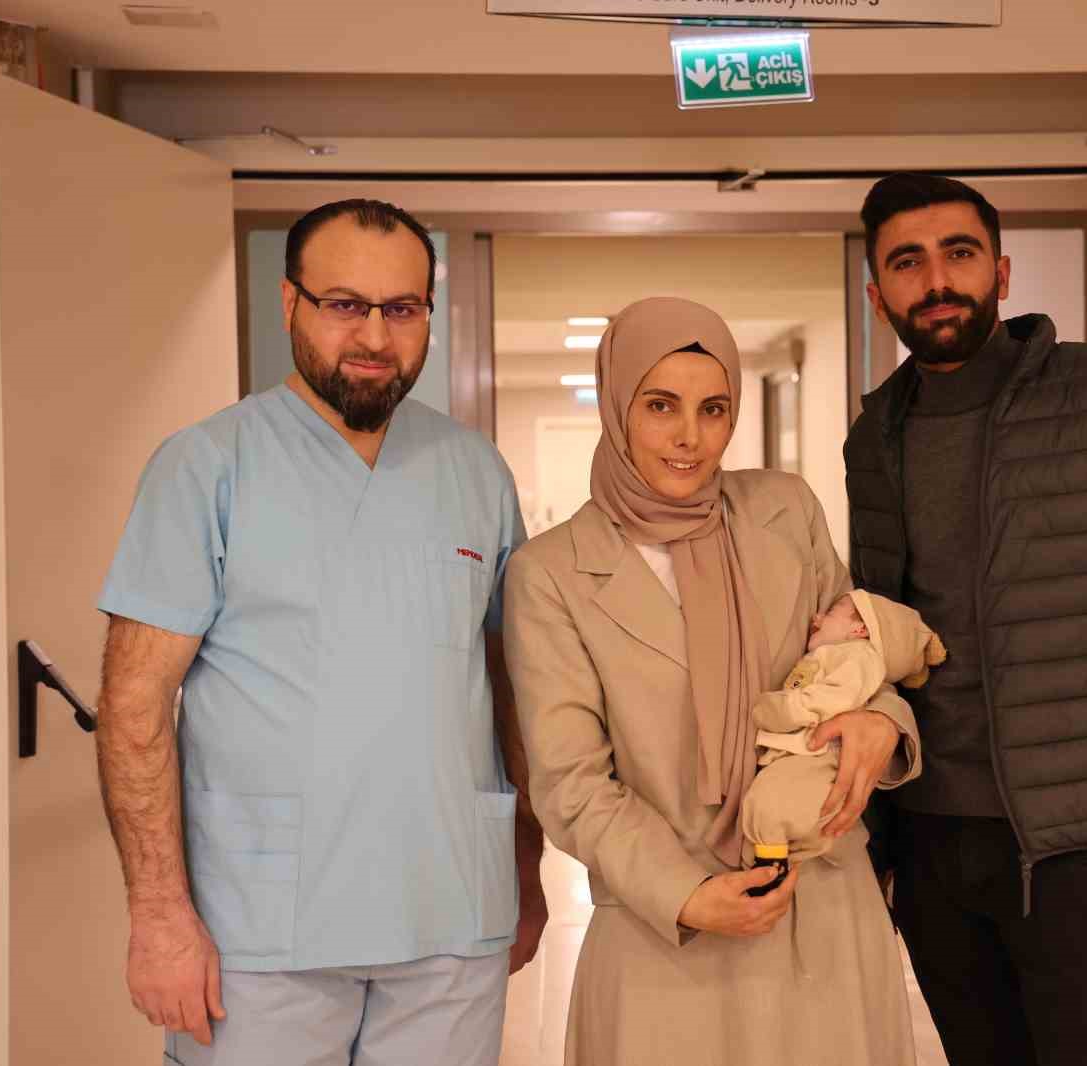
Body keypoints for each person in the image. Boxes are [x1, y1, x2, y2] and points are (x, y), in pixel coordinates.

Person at [94, 198, 546, 1066]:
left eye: (402, 308)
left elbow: (509, 690)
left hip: (454, 913)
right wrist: (158, 916)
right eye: (344, 304)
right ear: (289, 303)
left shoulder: (476, 473)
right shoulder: (207, 466)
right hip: (260, 932)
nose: (374, 335)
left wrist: (524, 867)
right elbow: (134, 703)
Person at [846, 173, 1087, 1066]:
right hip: (932, 840)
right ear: (878, 296)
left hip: (1080, 845)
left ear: (1001, 271)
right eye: (907, 262)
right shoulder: (874, 437)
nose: (937, 280)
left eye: (959, 253)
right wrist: (876, 843)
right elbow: (882, 645)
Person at [503, 297, 922, 1066]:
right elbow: (569, 783)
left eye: (713, 408)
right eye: (660, 405)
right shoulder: (550, 573)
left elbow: (853, 662)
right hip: (666, 933)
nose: (689, 437)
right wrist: (687, 895)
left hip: (820, 911)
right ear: (617, 406)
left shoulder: (785, 512)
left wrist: (884, 724)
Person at [740, 590, 945, 864]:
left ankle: (772, 867)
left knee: (771, 804)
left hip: (820, 752)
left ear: (859, 629)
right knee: (778, 805)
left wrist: (785, 709)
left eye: (831, 612)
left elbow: (835, 697)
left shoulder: (860, 656)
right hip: (810, 752)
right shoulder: (842, 655)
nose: (817, 618)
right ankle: (782, 859)